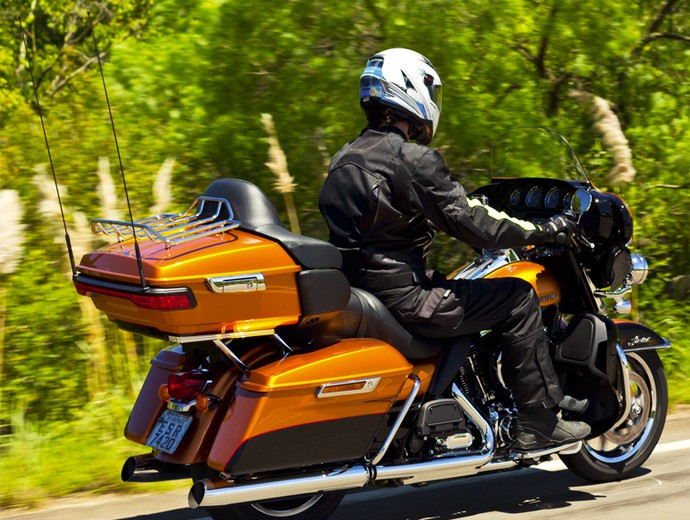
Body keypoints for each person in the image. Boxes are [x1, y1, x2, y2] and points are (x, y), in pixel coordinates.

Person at [318, 48, 591, 452]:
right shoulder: (410, 159)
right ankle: (537, 421)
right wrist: (546, 229)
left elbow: (386, 225)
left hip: (361, 292)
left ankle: (523, 396)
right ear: (410, 91)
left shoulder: (345, 157)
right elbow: (473, 224)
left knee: (470, 288)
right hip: (408, 299)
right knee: (517, 297)